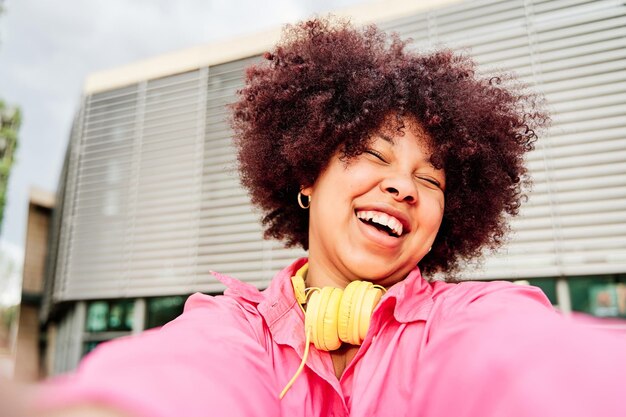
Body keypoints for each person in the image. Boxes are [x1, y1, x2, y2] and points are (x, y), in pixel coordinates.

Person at [26, 17, 626, 417]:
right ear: (308, 175)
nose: (402, 186)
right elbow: (182, 378)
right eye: (373, 154)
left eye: (429, 178)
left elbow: (530, 364)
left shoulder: (473, 319)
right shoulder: (233, 328)